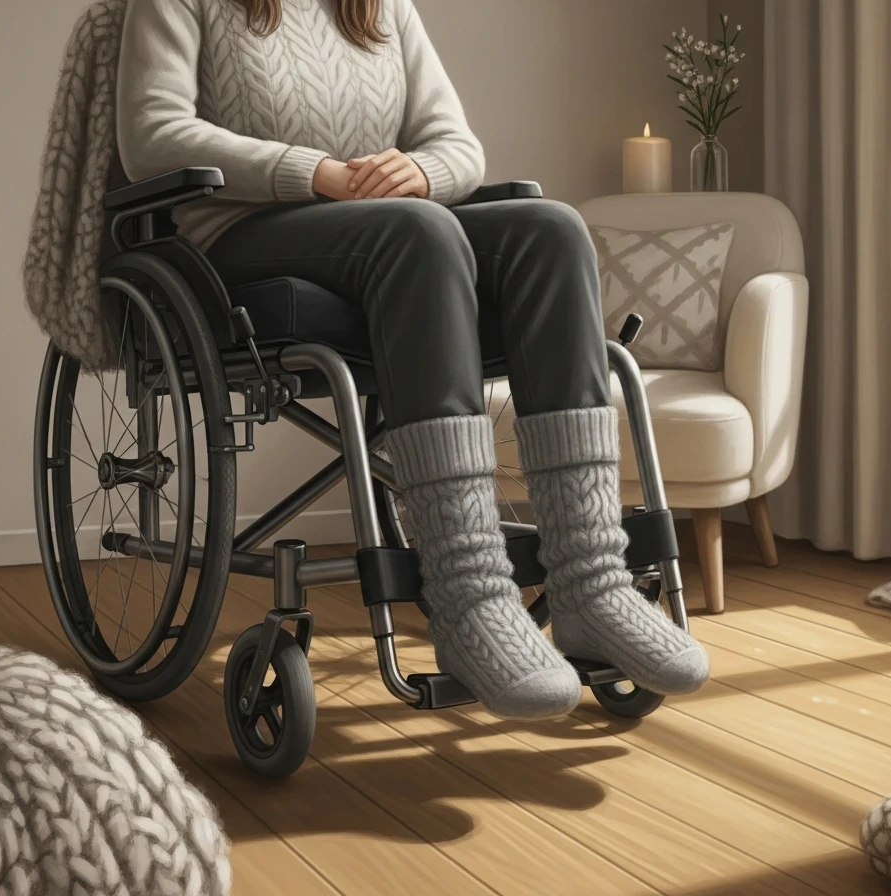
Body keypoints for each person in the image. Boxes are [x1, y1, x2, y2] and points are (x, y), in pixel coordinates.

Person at [117, 0, 709, 720]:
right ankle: (468, 595)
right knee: (420, 235)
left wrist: (420, 171)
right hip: (239, 240)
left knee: (551, 229)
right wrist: (317, 174)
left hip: (386, 228)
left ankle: (591, 581)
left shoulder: (380, 6)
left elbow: (456, 143)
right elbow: (152, 137)